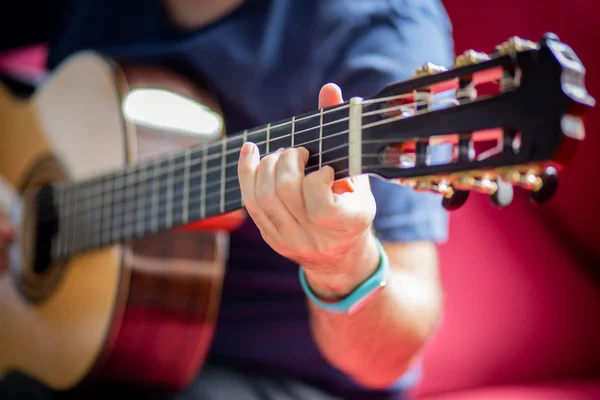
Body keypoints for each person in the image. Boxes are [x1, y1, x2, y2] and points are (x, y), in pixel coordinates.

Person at [0, 0, 454, 399]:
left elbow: (391, 355)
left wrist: (343, 265)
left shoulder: (377, 25)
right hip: (68, 342)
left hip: (283, 379)